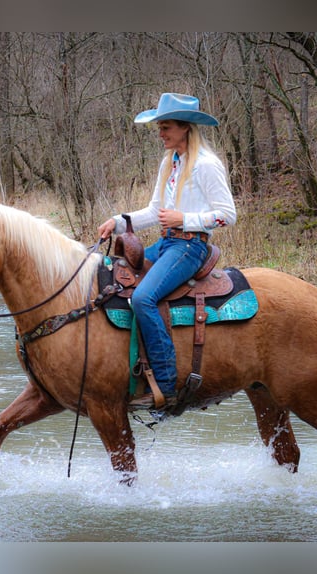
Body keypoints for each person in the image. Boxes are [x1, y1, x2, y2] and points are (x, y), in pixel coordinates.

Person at [98, 93, 236, 409]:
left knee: (144, 297)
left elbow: (227, 214)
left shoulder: (206, 165)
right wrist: (118, 221)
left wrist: (184, 218)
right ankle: (131, 371)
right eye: (160, 127)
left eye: (167, 127)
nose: (161, 134)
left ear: (186, 127)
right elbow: (155, 211)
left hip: (190, 247)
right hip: (167, 243)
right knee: (117, 282)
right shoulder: (170, 162)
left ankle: (166, 383)